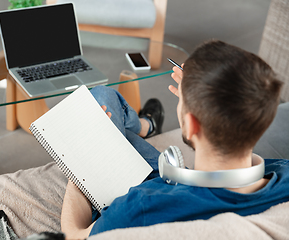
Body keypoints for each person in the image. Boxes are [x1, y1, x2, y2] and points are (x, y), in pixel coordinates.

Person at [60, 40, 289, 239]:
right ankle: (146, 125)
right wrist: (199, 100)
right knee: (104, 97)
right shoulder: (283, 175)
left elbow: (72, 236)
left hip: (167, 190)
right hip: (188, 182)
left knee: (101, 99)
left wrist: (79, 162)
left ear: (190, 126)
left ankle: (146, 124)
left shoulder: (139, 207)